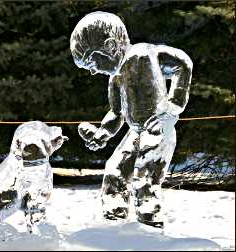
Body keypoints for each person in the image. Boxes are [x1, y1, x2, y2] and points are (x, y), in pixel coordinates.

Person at [70, 11, 193, 228]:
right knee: (114, 172)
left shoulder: (143, 53)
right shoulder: (115, 77)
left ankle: (149, 229)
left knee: (144, 177)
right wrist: (103, 133)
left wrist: (174, 105)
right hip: (135, 132)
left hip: (157, 130)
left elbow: (183, 63)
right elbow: (116, 113)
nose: (92, 71)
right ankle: (114, 226)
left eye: (91, 61)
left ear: (109, 46)